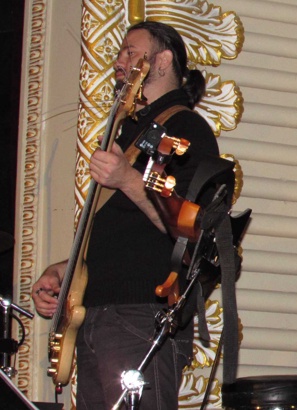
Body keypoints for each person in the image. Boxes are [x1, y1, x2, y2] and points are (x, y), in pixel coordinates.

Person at [31, 21, 219, 410]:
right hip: (98, 314)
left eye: (131, 52)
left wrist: (128, 180)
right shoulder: (130, 131)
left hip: (142, 312)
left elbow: (192, 227)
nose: (119, 61)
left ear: (162, 60)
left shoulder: (187, 128)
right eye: (120, 53)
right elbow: (123, 235)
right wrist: (66, 270)